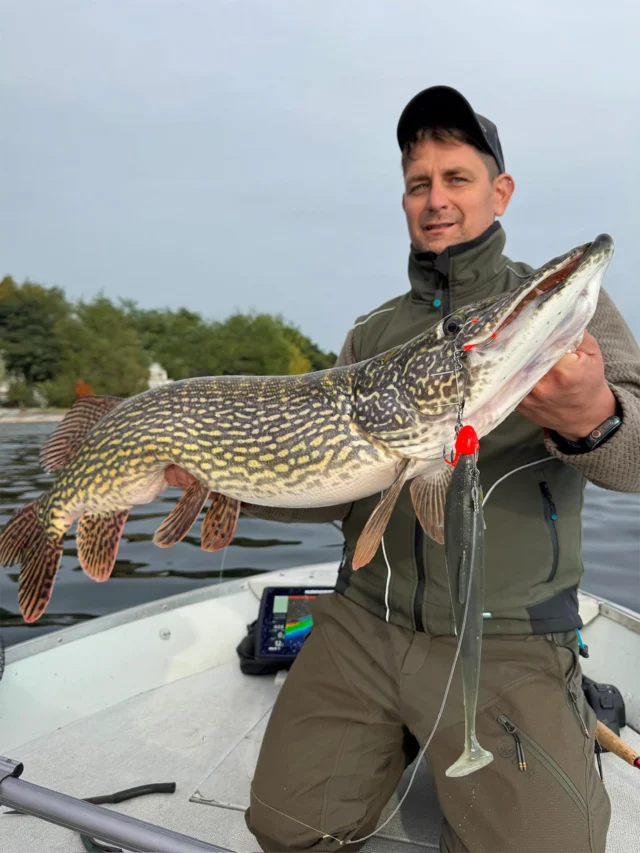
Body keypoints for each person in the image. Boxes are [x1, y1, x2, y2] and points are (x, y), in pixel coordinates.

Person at [169, 86, 640, 852]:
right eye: (419, 183)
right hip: (366, 617)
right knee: (285, 825)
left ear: (500, 190)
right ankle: (408, 732)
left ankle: (462, 734)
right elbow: (331, 486)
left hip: (506, 633)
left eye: (456, 178)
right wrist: (224, 478)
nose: (436, 199)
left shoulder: (567, 311)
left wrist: (593, 416)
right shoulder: (374, 332)